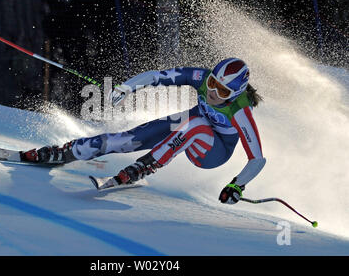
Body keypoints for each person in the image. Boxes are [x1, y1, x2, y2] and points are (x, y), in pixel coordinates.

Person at [21, 58, 266, 204]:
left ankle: (143, 166)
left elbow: (257, 159)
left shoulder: (240, 112)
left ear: (234, 94)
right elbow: (159, 77)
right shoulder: (200, 77)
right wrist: (128, 87)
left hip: (212, 153)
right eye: (212, 83)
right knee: (130, 137)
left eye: (222, 91)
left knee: (196, 125)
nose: (212, 92)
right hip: (187, 127)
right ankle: (68, 151)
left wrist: (237, 186)